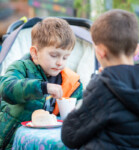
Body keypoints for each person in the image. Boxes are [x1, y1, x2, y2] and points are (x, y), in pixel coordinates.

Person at [61, 9, 139, 150]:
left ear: (100, 51)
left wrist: (96, 81)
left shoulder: (103, 86)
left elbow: (70, 135)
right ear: (137, 49)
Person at [0, 17, 83, 150]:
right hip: (12, 143)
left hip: (47, 143)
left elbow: (79, 110)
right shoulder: (21, 68)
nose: (60, 62)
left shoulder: (72, 83)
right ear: (35, 53)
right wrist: (43, 87)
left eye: (65, 57)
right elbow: (6, 89)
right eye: (54, 55)